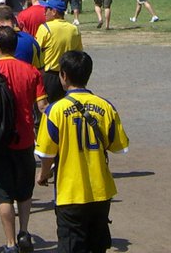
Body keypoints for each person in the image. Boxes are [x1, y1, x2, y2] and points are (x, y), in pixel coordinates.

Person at [35, 50, 130, 253]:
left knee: (71, 245)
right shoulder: (105, 106)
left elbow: (46, 154)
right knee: (97, 246)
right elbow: (120, 146)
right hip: (100, 190)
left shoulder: (55, 110)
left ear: (63, 75)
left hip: (70, 193)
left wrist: (43, 175)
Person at [0, 25, 47, 253]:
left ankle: (10, 243)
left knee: (4, 195)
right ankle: (24, 232)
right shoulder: (31, 71)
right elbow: (42, 105)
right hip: (24, 139)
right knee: (24, 191)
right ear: (16, 45)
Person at [33, 0, 83, 104]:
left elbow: (35, 50)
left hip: (50, 76)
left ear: (54, 11)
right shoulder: (74, 29)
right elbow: (79, 53)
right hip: (70, 75)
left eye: (47, 9)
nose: (44, 12)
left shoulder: (45, 28)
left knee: (48, 109)